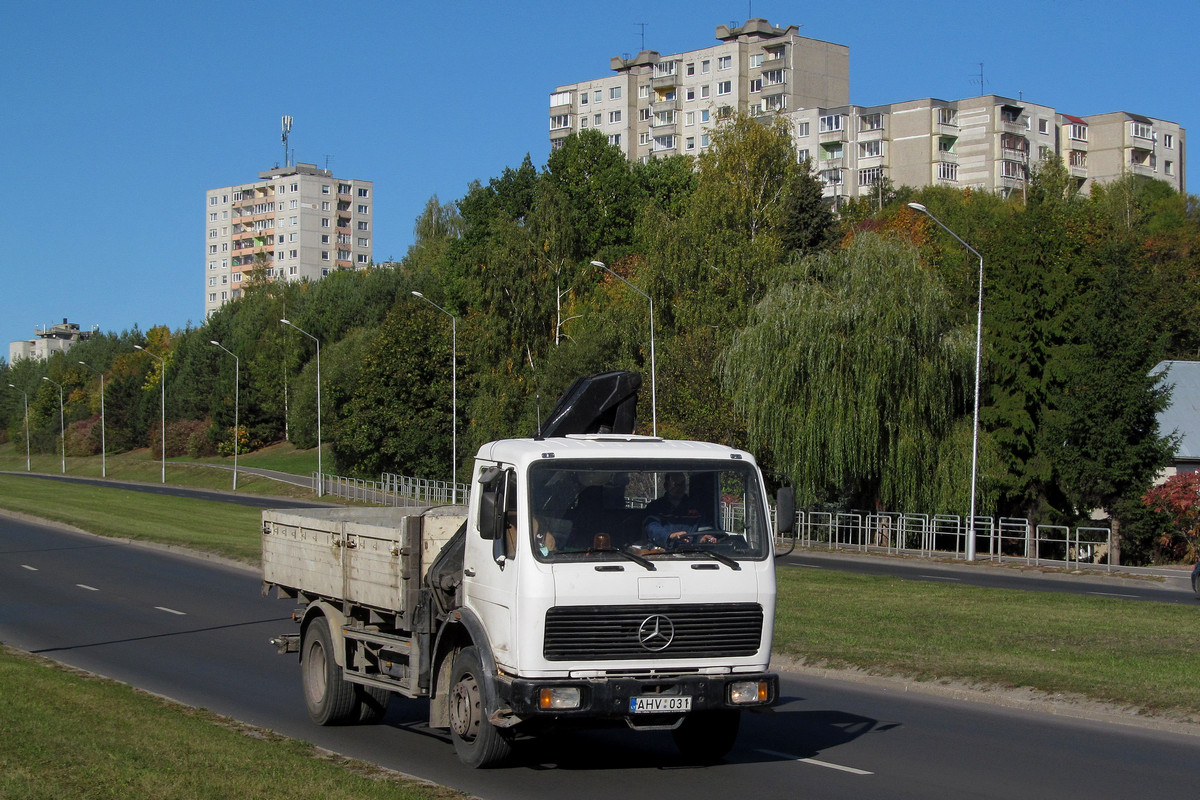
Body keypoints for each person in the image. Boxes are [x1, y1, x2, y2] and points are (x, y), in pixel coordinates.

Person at [643, 473, 717, 549]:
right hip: (659, 555)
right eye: (676, 484)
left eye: (682, 484)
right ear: (666, 486)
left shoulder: (697, 507)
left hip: (692, 554)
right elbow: (651, 528)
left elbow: (705, 528)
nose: (680, 488)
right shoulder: (655, 507)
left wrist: (704, 538)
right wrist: (669, 536)